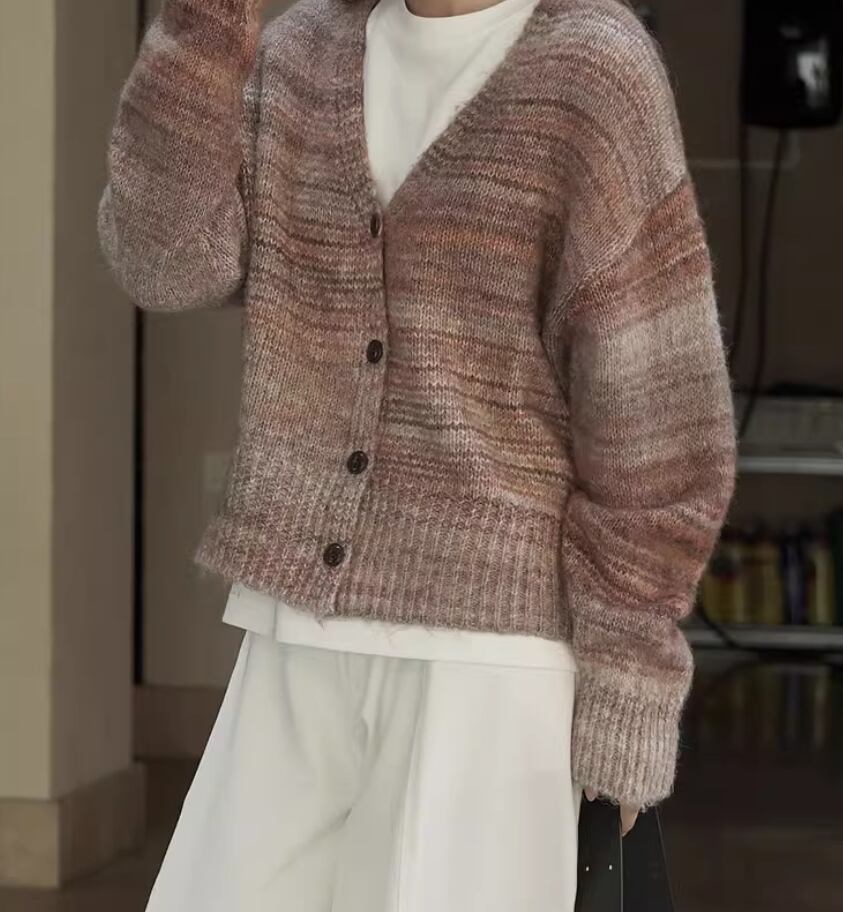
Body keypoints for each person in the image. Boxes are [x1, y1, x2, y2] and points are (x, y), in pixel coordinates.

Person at [97, 0, 737, 908]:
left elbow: (657, 429)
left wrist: (628, 689)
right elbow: (160, 261)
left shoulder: (592, 69)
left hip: (489, 669)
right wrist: (203, 21)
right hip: (294, 639)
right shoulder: (299, 52)